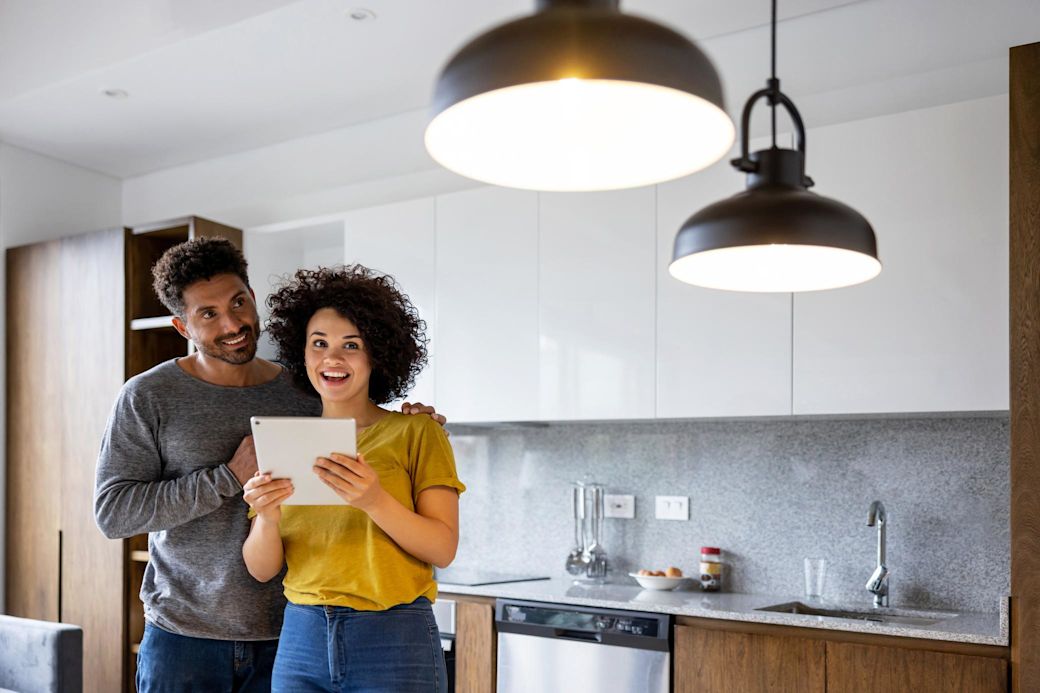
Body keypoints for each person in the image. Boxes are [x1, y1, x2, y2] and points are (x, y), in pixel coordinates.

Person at [94, 238, 446, 693]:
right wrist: (227, 477)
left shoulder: (304, 388)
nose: (233, 323)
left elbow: (368, 429)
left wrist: (420, 421)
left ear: (253, 297)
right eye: (209, 314)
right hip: (186, 635)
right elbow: (113, 512)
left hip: (292, 635)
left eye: (239, 302)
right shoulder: (147, 396)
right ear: (182, 326)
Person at [241, 265, 464, 692]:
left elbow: (442, 547)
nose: (332, 358)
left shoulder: (417, 432)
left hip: (394, 636)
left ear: (375, 354)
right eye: (319, 343)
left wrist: (374, 499)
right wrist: (267, 517)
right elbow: (261, 568)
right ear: (302, 353)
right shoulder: (285, 441)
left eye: (351, 345)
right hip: (301, 635)